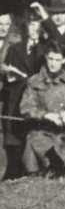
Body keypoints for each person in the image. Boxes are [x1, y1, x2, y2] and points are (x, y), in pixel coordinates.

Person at [19, 42, 65, 178]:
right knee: (35, 139)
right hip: (45, 131)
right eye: (51, 59)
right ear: (46, 58)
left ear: (64, 60)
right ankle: (52, 166)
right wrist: (45, 115)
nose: (53, 64)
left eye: (58, 60)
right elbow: (25, 108)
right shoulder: (34, 81)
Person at [0, 11, 30, 179]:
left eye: (6, 24)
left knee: (9, 129)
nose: (3, 28)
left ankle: (11, 167)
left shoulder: (15, 42)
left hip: (10, 91)